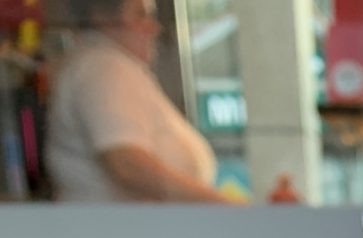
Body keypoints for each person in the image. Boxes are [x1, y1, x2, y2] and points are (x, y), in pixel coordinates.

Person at [46, 0, 229, 203]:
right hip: (116, 231)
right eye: (141, 15)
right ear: (105, 19)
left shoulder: (111, 67)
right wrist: (226, 208)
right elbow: (128, 165)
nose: (154, 28)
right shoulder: (103, 68)